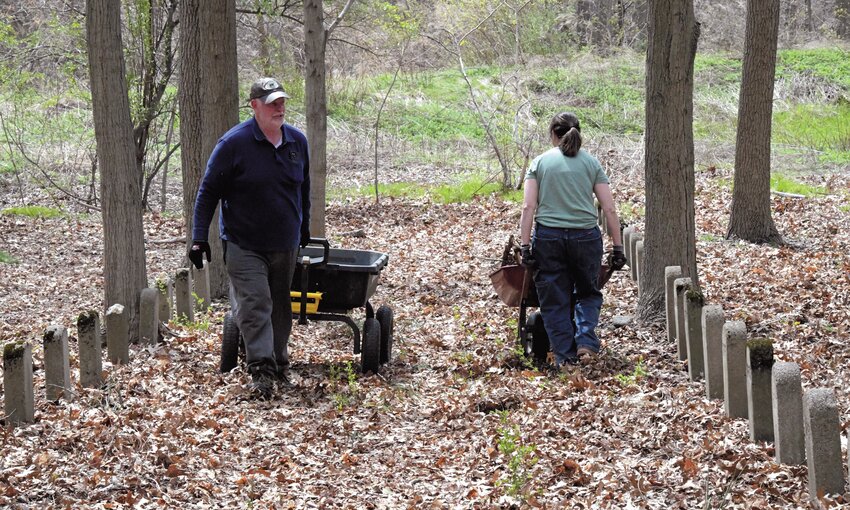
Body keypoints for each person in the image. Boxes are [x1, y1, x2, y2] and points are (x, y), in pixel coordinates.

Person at [189, 77, 311, 399]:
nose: (279, 107)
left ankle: (279, 364)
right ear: (254, 106)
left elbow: (304, 191)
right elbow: (207, 194)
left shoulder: (297, 143)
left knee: (280, 306)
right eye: (272, 103)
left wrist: (305, 230)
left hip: (284, 242)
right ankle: (262, 372)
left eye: (282, 101)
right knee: (256, 303)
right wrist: (199, 238)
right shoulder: (233, 145)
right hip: (244, 243)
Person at [519, 112, 626, 368]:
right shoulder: (591, 163)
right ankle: (586, 343)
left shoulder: (540, 162)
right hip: (585, 237)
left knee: (554, 298)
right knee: (588, 291)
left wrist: (525, 245)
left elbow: (528, 207)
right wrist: (618, 246)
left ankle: (564, 358)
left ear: (552, 134)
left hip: (549, 237)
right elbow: (609, 208)